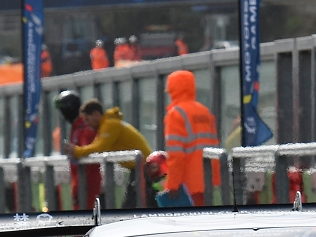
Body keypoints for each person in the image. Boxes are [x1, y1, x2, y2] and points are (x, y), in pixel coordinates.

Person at [64, 99, 152, 208]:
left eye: (87, 119)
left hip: (143, 168)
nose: (86, 123)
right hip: (139, 168)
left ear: (96, 114)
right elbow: (95, 146)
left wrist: (76, 151)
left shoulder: (110, 124)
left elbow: (98, 148)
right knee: (133, 206)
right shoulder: (105, 125)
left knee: (132, 207)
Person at [163, 69, 219, 206]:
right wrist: (216, 179)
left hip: (187, 185)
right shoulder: (204, 112)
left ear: (173, 90)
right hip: (207, 181)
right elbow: (214, 146)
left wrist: (173, 184)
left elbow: (176, 154)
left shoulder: (176, 114)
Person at [55, 90, 101, 210]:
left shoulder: (84, 127)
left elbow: (87, 154)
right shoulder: (76, 127)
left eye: (64, 111)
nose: (63, 115)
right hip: (79, 180)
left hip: (87, 182)